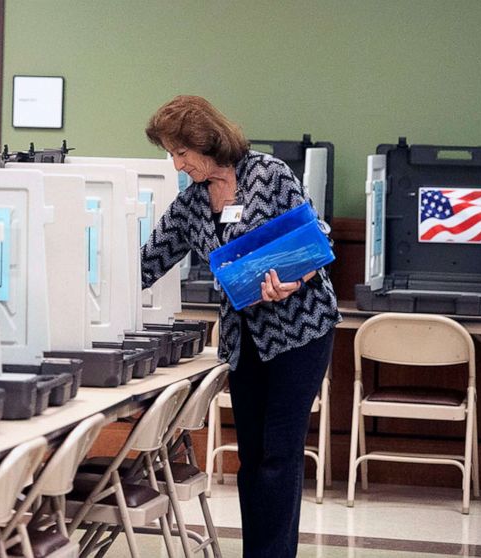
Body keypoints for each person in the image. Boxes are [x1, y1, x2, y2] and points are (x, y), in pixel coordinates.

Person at [141, 95, 340, 558]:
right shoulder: (191, 205)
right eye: (170, 154)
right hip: (245, 340)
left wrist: (292, 280)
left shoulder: (267, 174)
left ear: (204, 141)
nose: (176, 163)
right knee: (251, 457)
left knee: (278, 456)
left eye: (180, 152)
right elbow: (146, 262)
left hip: (300, 331)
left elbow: (318, 237)